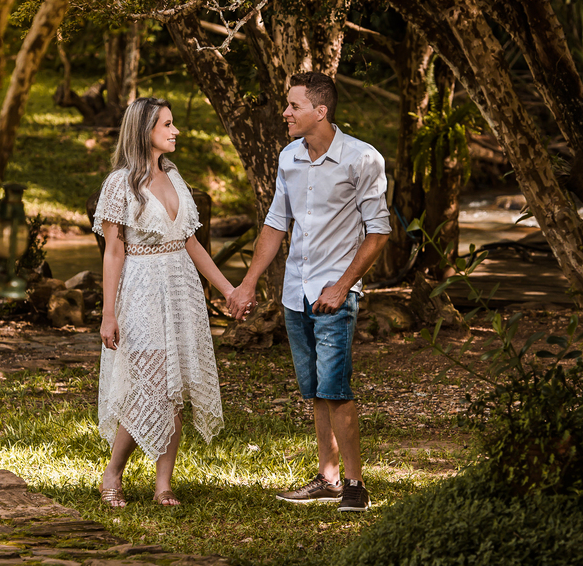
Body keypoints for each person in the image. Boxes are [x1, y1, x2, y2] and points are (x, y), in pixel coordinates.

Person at [227, 72, 390, 512]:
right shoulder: (288, 158)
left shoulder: (362, 159)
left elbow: (377, 233)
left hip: (335, 294)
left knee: (335, 387)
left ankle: (355, 485)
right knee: (316, 390)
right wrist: (247, 284)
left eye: (294, 106)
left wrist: (342, 286)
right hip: (295, 293)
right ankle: (328, 477)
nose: (285, 113)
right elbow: (276, 224)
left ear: (320, 111)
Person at [94, 96, 234, 507]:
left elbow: (191, 243)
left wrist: (227, 290)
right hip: (141, 289)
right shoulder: (120, 184)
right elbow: (113, 252)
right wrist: (108, 314)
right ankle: (113, 474)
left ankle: (163, 485)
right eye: (167, 125)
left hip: (181, 290)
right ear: (144, 131)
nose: (175, 131)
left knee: (176, 388)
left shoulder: (175, 178)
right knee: (147, 386)